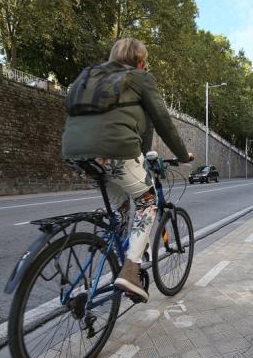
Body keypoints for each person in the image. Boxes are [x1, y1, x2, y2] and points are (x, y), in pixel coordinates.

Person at [61, 38, 193, 301]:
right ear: (141, 62)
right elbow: (163, 122)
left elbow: (139, 127)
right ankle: (130, 270)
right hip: (114, 151)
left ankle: (114, 261)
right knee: (147, 202)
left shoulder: (88, 77)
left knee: (120, 212)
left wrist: (140, 156)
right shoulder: (139, 78)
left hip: (75, 152)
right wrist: (182, 155)